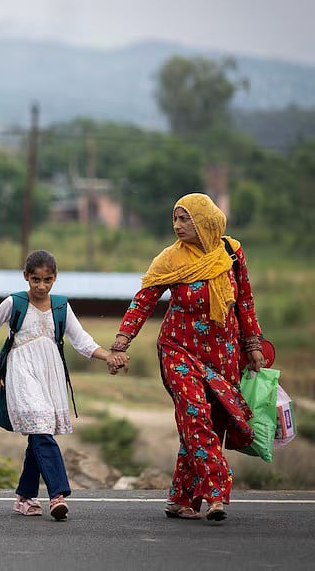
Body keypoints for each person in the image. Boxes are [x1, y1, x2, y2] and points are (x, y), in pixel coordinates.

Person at [109, 193, 265, 522]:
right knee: (196, 416)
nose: (176, 226)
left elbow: (245, 300)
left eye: (185, 219)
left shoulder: (231, 253)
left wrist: (252, 344)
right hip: (178, 350)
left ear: (205, 222)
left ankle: (181, 498)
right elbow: (143, 301)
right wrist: (121, 342)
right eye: (175, 219)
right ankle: (216, 493)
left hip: (224, 355)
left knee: (208, 424)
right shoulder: (169, 260)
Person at [0, 250, 122, 521]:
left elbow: (83, 341)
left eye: (47, 280)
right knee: (42, 429)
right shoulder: (14, 302)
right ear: (25, 277)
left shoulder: (61, 306)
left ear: (55, 278)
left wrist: (108, 356)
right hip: (22, 372)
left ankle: (25, 497)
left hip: (50, 375)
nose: (41, 286)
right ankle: (57, 495)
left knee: (38, 432)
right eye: (35, 280)